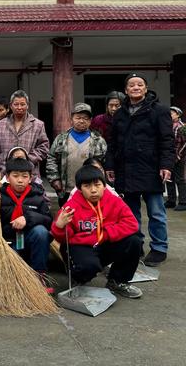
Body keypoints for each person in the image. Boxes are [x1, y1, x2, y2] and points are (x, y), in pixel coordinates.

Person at [105, 73, 174, 267]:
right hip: (126, 169)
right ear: (126, 90)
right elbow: (112, 143)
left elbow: (167, 140)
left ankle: (159, 248)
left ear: (145, 88)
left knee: (156, 211)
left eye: (140, 85)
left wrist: (166, 165)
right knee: (131, 212)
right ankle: (136, 244)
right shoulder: (119, 113)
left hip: (151, 168)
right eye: (132, 85)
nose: (136, 87)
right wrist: (110, 165)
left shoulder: (159, 110)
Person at [51, 165, 142, 299]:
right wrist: (59, 226)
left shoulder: (114, 201)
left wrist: (105, 233)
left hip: (104, 243)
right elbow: (63, 238)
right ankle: (79, 279)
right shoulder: (71, 206)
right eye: (87, 186)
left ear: (104, 186)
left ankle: (117, 281)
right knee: (88, 266)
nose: (93, 190)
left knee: (134, 241)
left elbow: (132, 224)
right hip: (81, 247)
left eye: (97, 185)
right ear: (80, 189)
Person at [0, 158, 53, 292]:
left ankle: (39, 276)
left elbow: (48, 220)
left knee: (41, 232)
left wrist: (28, 218)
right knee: (9, 283)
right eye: (15, 176)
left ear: (30, 178)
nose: (20, 180)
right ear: (7, 178)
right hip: (6, 242)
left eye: (24, 176)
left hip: (29, 242)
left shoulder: (37, 196)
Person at [47, 103, 107, 207]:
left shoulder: (98, 140)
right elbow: (51, 158)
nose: (81, 121)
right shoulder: (61, 139)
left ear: (90, 120)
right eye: (78, 117)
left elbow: (104, 163)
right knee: (68, 216)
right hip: (66, 188)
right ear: (72, 118)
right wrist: (54, 179)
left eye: (85, 118)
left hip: (90, 188)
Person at [0, 90, 49, 180]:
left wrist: (27, 156)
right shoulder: (1, 124)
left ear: (27, 105)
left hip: (30, 175)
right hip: (5, 174)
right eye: (16, 104)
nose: (19, 107)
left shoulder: (38, 125)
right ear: (10, 106)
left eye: (22, 104)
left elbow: (44, 148)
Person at [165, 106, 186, 211]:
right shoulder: (167, 126)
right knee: (169, 178)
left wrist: (178, 154)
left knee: (180, 179)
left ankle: (183, 201)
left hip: (179, 158)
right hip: (169, 157)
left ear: (178, 115)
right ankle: (171, 200)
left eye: (172, 113)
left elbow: (184, 143)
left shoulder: (182, 127)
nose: (170, 115)